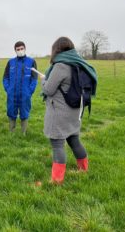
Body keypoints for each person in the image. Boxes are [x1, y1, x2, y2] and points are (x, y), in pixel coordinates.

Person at [41, 37, 97, 184]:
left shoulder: (60, 66)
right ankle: (83, 169)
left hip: (59, 113)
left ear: (56, 50)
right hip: (75, 111)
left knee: (57, 144)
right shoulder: (78, 63)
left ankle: (57, 180)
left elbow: (48, 89)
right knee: (74, 140)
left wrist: (43, 79)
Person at [3, 41, 38, 135]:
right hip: (12, 93)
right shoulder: (11, 62)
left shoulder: (31, 62)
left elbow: (34, 78)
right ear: (15, 50)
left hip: (25, 93)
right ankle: (11, 132)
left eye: (21, 49)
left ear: (25, 49)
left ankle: (24, 133)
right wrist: (8, 88)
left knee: (24, 112)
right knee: (11, 111)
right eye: (18, 49)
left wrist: (30, 91)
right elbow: (5, 77)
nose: (20, 51)